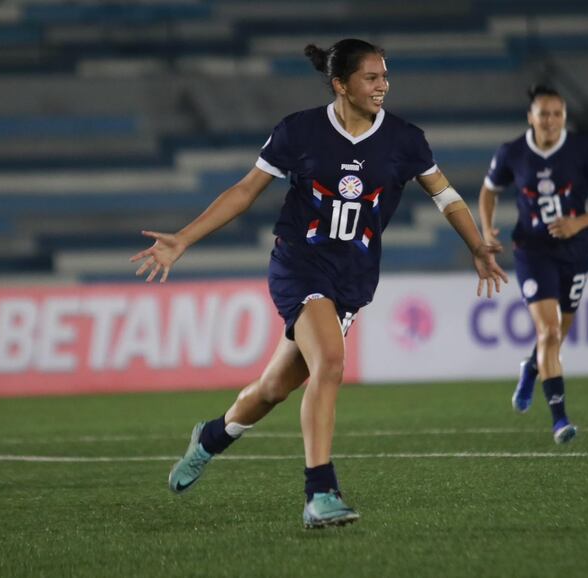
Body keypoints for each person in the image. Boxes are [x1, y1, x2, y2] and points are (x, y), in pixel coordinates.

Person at [131, 38, 509, 528]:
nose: (382, 86)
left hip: (352, 277)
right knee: (330, 361)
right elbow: (246, 191)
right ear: (341, 84)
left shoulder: (404, 139)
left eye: (385, 76)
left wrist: (476, 244)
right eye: (371, 78)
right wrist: (183, 238)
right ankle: (320, 493)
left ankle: (210, 438)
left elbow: (447, 196)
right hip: (299, 264)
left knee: (273, 389)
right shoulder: (300, 131)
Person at [478, 85, 588, 444]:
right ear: (530, 117)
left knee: (560, 333)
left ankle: (531, 366)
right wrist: (486, 228)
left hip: (575, 249)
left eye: (557, 114)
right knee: (549, 332)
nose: (550, 121)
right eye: (543, 114)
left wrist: (579, 222)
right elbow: (488, 191)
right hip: (532, 249)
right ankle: (560, 421)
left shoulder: (585, 150)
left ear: (564, 117)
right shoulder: (512, 152)